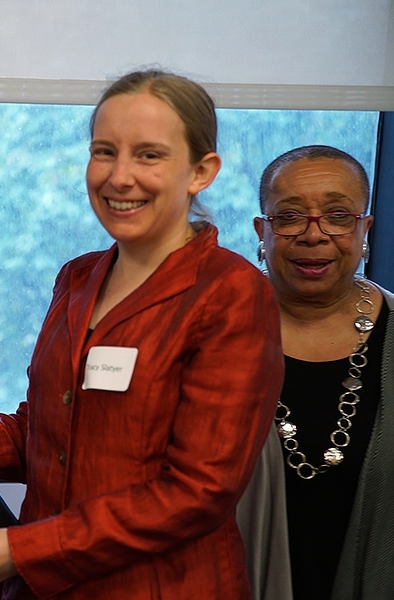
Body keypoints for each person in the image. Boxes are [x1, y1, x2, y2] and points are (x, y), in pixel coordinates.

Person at [0, 69, 285, 599]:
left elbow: (198, 492)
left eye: (149, 155)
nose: (119, 177)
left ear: (201, 171)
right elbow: (40, 438)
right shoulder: (78, 278)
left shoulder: (231, 293)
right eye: (104, 152)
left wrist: (27, 549)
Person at [241, 145, 394, 600]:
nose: (314, 235)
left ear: (365, 229)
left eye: (338, 216)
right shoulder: (211, 333)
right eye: (289, 217)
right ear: (262, 231)